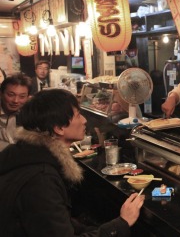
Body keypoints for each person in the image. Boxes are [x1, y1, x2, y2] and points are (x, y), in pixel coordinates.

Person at [0, 89, 144, 236]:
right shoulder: (40, 179)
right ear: (58, 128)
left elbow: (58, 223)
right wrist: (122, 223)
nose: (84, 120)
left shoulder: (29, 153)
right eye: (78, 115)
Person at [0, 73, 32, 151]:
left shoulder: (30, 115)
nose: (16, 101)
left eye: (22, 96)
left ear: (28, 97)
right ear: (1, 94)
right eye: (11, 95)